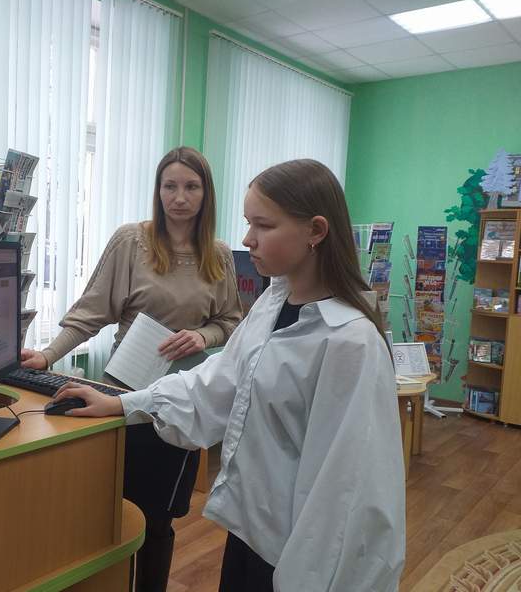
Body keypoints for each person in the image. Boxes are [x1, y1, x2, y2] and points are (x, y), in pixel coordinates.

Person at [51, 159, 406, 591]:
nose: (247, 239)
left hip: (300, 559)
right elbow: (217, 383)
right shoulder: (272, 305)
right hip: (250, 534)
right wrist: (122, 403)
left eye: (263, 225)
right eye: (247, 222)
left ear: (315, 231)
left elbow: (349, 493)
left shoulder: (351, 342)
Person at [21, 146, 243, 591]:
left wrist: (203, 336)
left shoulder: (218, 255)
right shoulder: (131, 242)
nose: (179, 197)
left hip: (181, 401)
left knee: (158, 518)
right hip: (122, 394)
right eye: (170, 186)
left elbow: (232, 321)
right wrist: (47, 355)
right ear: (158, 191)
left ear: (206, 194)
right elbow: (91, 312)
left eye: (191, 187)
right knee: (111, 509)